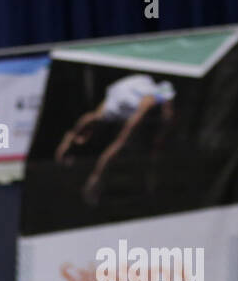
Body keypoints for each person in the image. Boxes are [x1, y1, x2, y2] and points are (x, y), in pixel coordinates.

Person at [54, 73, 176, 205]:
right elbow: (121, 141)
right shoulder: (144, 108)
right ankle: (71, 141)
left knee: (99, 119)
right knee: (108, 127)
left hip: (131, 92)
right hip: (129, 95)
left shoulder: (153, 102)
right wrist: (97, 176)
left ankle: (71, 140)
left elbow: (153, 144)